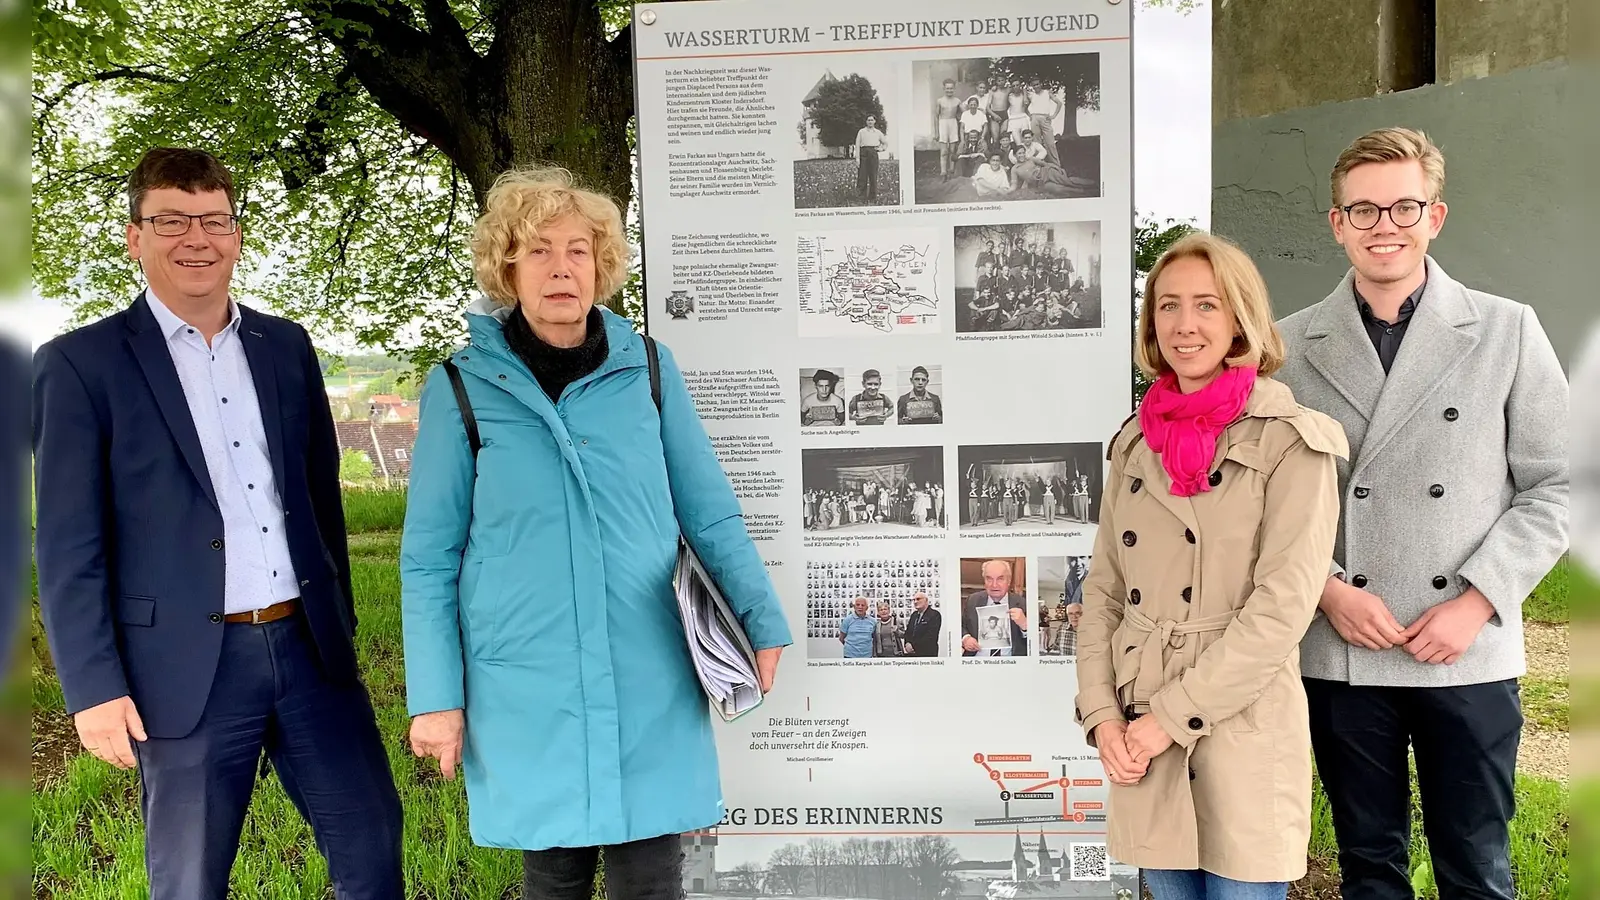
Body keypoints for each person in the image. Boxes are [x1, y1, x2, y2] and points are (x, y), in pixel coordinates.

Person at [400, 166, 790, 898]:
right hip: (525, 679)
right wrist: (435, 698)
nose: (560, 268)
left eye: (578, 250)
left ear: (601, 266)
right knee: (554, 875)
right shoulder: (461, 385)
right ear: (506, 265)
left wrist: (762, 622)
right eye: (539, 249)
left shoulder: (647, 368)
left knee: (650, 875)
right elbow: (428, 558)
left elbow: (708, 511)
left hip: (647, 663)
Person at [32, 147, 403, 899]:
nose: (195, 238)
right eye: (171, 220)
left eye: (213, 220)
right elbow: (69, 546)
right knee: (191, 879)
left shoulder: (286, 346)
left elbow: (319, 502)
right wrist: (92, 688)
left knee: (371, 849)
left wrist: (341, 621)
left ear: (235, 235)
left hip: (309, 653)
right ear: (135, 236)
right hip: (181, 668)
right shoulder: (80, 364)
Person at [1275, 127, 1569, 900]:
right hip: (1343, 643)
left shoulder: (1507, 329)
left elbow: (1558, 485)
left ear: (1435, 216)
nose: (1385, 227)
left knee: (1476, 865)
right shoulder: (1285, 346)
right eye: (1363, 211)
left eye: (1403, 207)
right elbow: (1267, 506)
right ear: (1337, 223)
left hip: (1464, 646)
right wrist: (1330, 591)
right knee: (1369, 867)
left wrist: (1475, 603)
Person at [1073, 232, 1348, 898]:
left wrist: (1170, 719)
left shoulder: (1291, 440)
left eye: (1206, 305)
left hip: (1239, 724)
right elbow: (1104, 591)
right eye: (1168, 306)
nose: (1184, 324)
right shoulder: (1136, 442)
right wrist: (1101, 716)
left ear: (1239, 321)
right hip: (1140, 732)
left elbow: (1282, 607)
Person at [961, 559, 1028, 657]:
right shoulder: (972, 600)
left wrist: (1025, 625)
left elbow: (1034, 644)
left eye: (1000, 579)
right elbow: (961, 626)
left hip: (1010, 665)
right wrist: (965, 638)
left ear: (1009, 581)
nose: (994, 585)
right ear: (984, 581)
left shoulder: (1023, 604)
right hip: (977, 662)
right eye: (989, 579)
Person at [855, 114, 888, 203]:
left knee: (873, 176)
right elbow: (857, 145)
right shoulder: (861, 132)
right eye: (868, 120)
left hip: (873, 153)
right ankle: (862, 198)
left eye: (872, 120)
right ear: (866, 121)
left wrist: (881, 149)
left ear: (874, 121)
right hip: (863, 153)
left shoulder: (878, 132)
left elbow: (885, 143)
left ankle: (872, 198)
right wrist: (857, 158)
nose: (870, 122)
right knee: (862, 176)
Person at [903, 592, 942, 657]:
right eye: (914, 600)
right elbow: (908, 633)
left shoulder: (934, 615)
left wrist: (913, 646)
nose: (915, 602)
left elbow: (931, 636)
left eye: (918, 599)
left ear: (926, 600)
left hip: (927, 653)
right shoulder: (914, 615)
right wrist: (907, 644)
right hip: (911, 654)